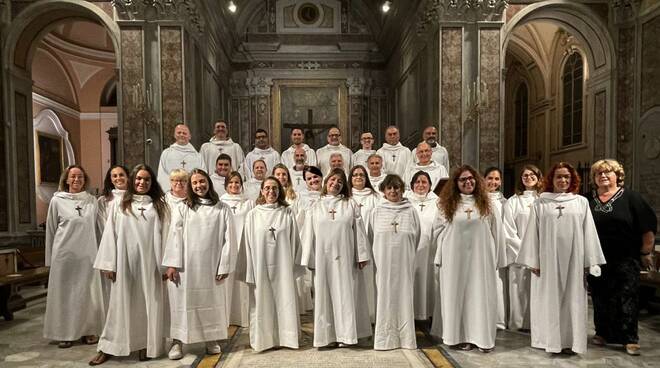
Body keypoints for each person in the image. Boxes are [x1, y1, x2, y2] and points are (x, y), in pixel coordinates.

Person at [516, 162, 606, 355]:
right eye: (559, 176)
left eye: (567, 177)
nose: (563, 180)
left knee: (572, 300)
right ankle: (549, 341)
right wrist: (533, 261)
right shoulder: (541, 202)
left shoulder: (580, 202)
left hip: (574, 260)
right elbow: (533, 233)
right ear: (552, 179)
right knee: (548, 300)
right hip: (547, 261)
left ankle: (572, 342)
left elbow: (588, 232)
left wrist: (589, 262)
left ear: (572, 179)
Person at [90, 164, 168, 365]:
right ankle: (108, 346)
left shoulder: (159, 205)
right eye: (139, 179)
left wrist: (167, 265)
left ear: (152, 183)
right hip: (124, 262)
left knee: (146, 304)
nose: (142, 182)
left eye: (147, 179)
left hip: (150, 263)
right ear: (133, 181)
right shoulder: (120, 204)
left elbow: (167, 236)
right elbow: (110, 234)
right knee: (119, 305)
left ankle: (144, 344)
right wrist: (109, 263)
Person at [432, 165, 506, 352]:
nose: (468, 182)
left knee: (479, 297)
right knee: (456, 297)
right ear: (456, 183)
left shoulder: (487, 203)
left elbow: (497, 232)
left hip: (481, 261)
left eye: (471, 178)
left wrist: (498, 259)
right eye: (463, 180)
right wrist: (442, 254)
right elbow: (437, 231)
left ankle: (480, 337)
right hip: (454, 261)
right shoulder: (446, 204)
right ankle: (457, 337)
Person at [163, 169, 235, 360]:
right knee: (181, 303)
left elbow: (230, 239)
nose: (199, 186)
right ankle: (178, 341)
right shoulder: (183, 207)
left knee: (210, 302)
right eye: (194, 183)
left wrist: (224, 265)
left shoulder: (222, 208)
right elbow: (174, 236)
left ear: (209, 183)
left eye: (202, 181)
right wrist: (172, 264)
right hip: (186, 266)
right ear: (190, 187)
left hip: (211, 265)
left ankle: (211, 339)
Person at [587, 159, 657, 356]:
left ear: (618, 175)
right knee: (600, 297)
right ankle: (602, 332)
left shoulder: (631, 198)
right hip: (597, 259)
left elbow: (647, 227)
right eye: (598, 173)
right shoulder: (588, 200)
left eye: (608, 172)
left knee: (626, 297)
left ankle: (629, 338)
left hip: (626, 258)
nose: (603, 176)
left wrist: (645, 252)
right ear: (594, 178)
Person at [300, 168, 371, 347]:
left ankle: (346, 336)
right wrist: (309, 258)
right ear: (326, 181)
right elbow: (308, 234)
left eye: (340, 182)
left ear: (344, 185)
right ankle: (327, 337)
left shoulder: (350, 204)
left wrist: (361, 255)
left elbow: (360, 232)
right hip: (322, 260)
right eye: (333, 180)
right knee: (324, 297)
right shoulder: (316, 205)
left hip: (345, 258)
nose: (335, 184)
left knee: (346, 295)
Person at [237, 177, 303, 352]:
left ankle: (287, 337)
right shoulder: (253, 214)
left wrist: (293, 266)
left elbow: (295, 241)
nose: (271, 192)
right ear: (261, 191)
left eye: (274, 188)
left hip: (283, 267)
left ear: (279, 191)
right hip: (260, 267)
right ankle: (264, 339)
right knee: (262, 301)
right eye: (267, 188)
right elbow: (247, 245)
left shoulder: (287, 213)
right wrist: (250, 269)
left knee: (285, 299)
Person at [44, 165, 105, 348]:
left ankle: (88, 331)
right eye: (73, 176)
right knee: (65, 295)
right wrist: (50, 259)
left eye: (80, 177)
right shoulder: (57, 201)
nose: (77, 180)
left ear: (84, 180)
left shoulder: (92, 201)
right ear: (67, 180)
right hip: (64, 256)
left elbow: (99, 228)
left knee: (86, 295)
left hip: (87, 255)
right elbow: (51, 230)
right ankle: (65, 333)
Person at [367, 174, 420, 350]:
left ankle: (406, 340)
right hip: (383, 263)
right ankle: (384, 339)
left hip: (404, 261)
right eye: (389, 188)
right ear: (383, 190)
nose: (393, 191)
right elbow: (370, 236)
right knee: (385, 297)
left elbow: (417, 236)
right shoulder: (377, 211)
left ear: (402, 189)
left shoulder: (410, 210)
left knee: (404, 297)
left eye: (396, 187)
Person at [503, 165, 544, 332]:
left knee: (538, 292)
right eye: (525, 175)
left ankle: (537, 323)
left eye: (532, 174)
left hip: (540, 254)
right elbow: (508, 229)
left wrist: (538, 251)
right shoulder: (513, 201)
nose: (528, 177)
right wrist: (525, 251)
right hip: (518, 254)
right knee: (519, 290)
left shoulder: (544, 199)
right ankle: (518, 324)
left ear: (538, 177)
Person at [221, 172, 255, 327]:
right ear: (226, 185)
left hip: (243, 246)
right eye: (231, 183)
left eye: (237, 183)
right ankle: (225, 318)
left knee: (241, 283)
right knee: (226, 284)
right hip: (226, 247)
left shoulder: (248, 203)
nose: (234, 186)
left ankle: (242, 317)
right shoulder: (220, 202)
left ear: (241, 184)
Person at [406, 171, 440, 321]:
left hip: (430, 249)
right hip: (410, 249)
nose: (421, 185)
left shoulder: (438, 202)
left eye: (424, 182)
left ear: (430, 186)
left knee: (430, 280)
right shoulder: (405, 201)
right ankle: (410, 313)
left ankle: (428, 313)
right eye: (417, 182)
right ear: (412, 185)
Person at [347, 165, 380, 321]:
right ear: (350, 179)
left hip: (371, 244)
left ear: (366, 178)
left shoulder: (375, 197)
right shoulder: (346, 198)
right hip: (351, 245)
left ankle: (371, 315)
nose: (358, 177)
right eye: (355, 175)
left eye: (361, 175)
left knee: (369, 280)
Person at [484, 166, 507, 330]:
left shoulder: (505, 202)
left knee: (497, 282)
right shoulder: (479, 199)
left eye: (496, 179)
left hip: (498, 244)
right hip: (482, 246)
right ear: (483, 179)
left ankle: (498, 319)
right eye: (490, 178)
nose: (493, 182)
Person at [157, 124, 205, 191]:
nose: (181, 135)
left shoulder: (198, 156)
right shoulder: (166, 153)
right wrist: (169, 192)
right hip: (172, 193)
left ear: (190, 136)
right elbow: (162, 176)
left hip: (192, 193)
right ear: (174, 135)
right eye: (179, 132)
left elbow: (202, 175)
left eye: (184, 133)